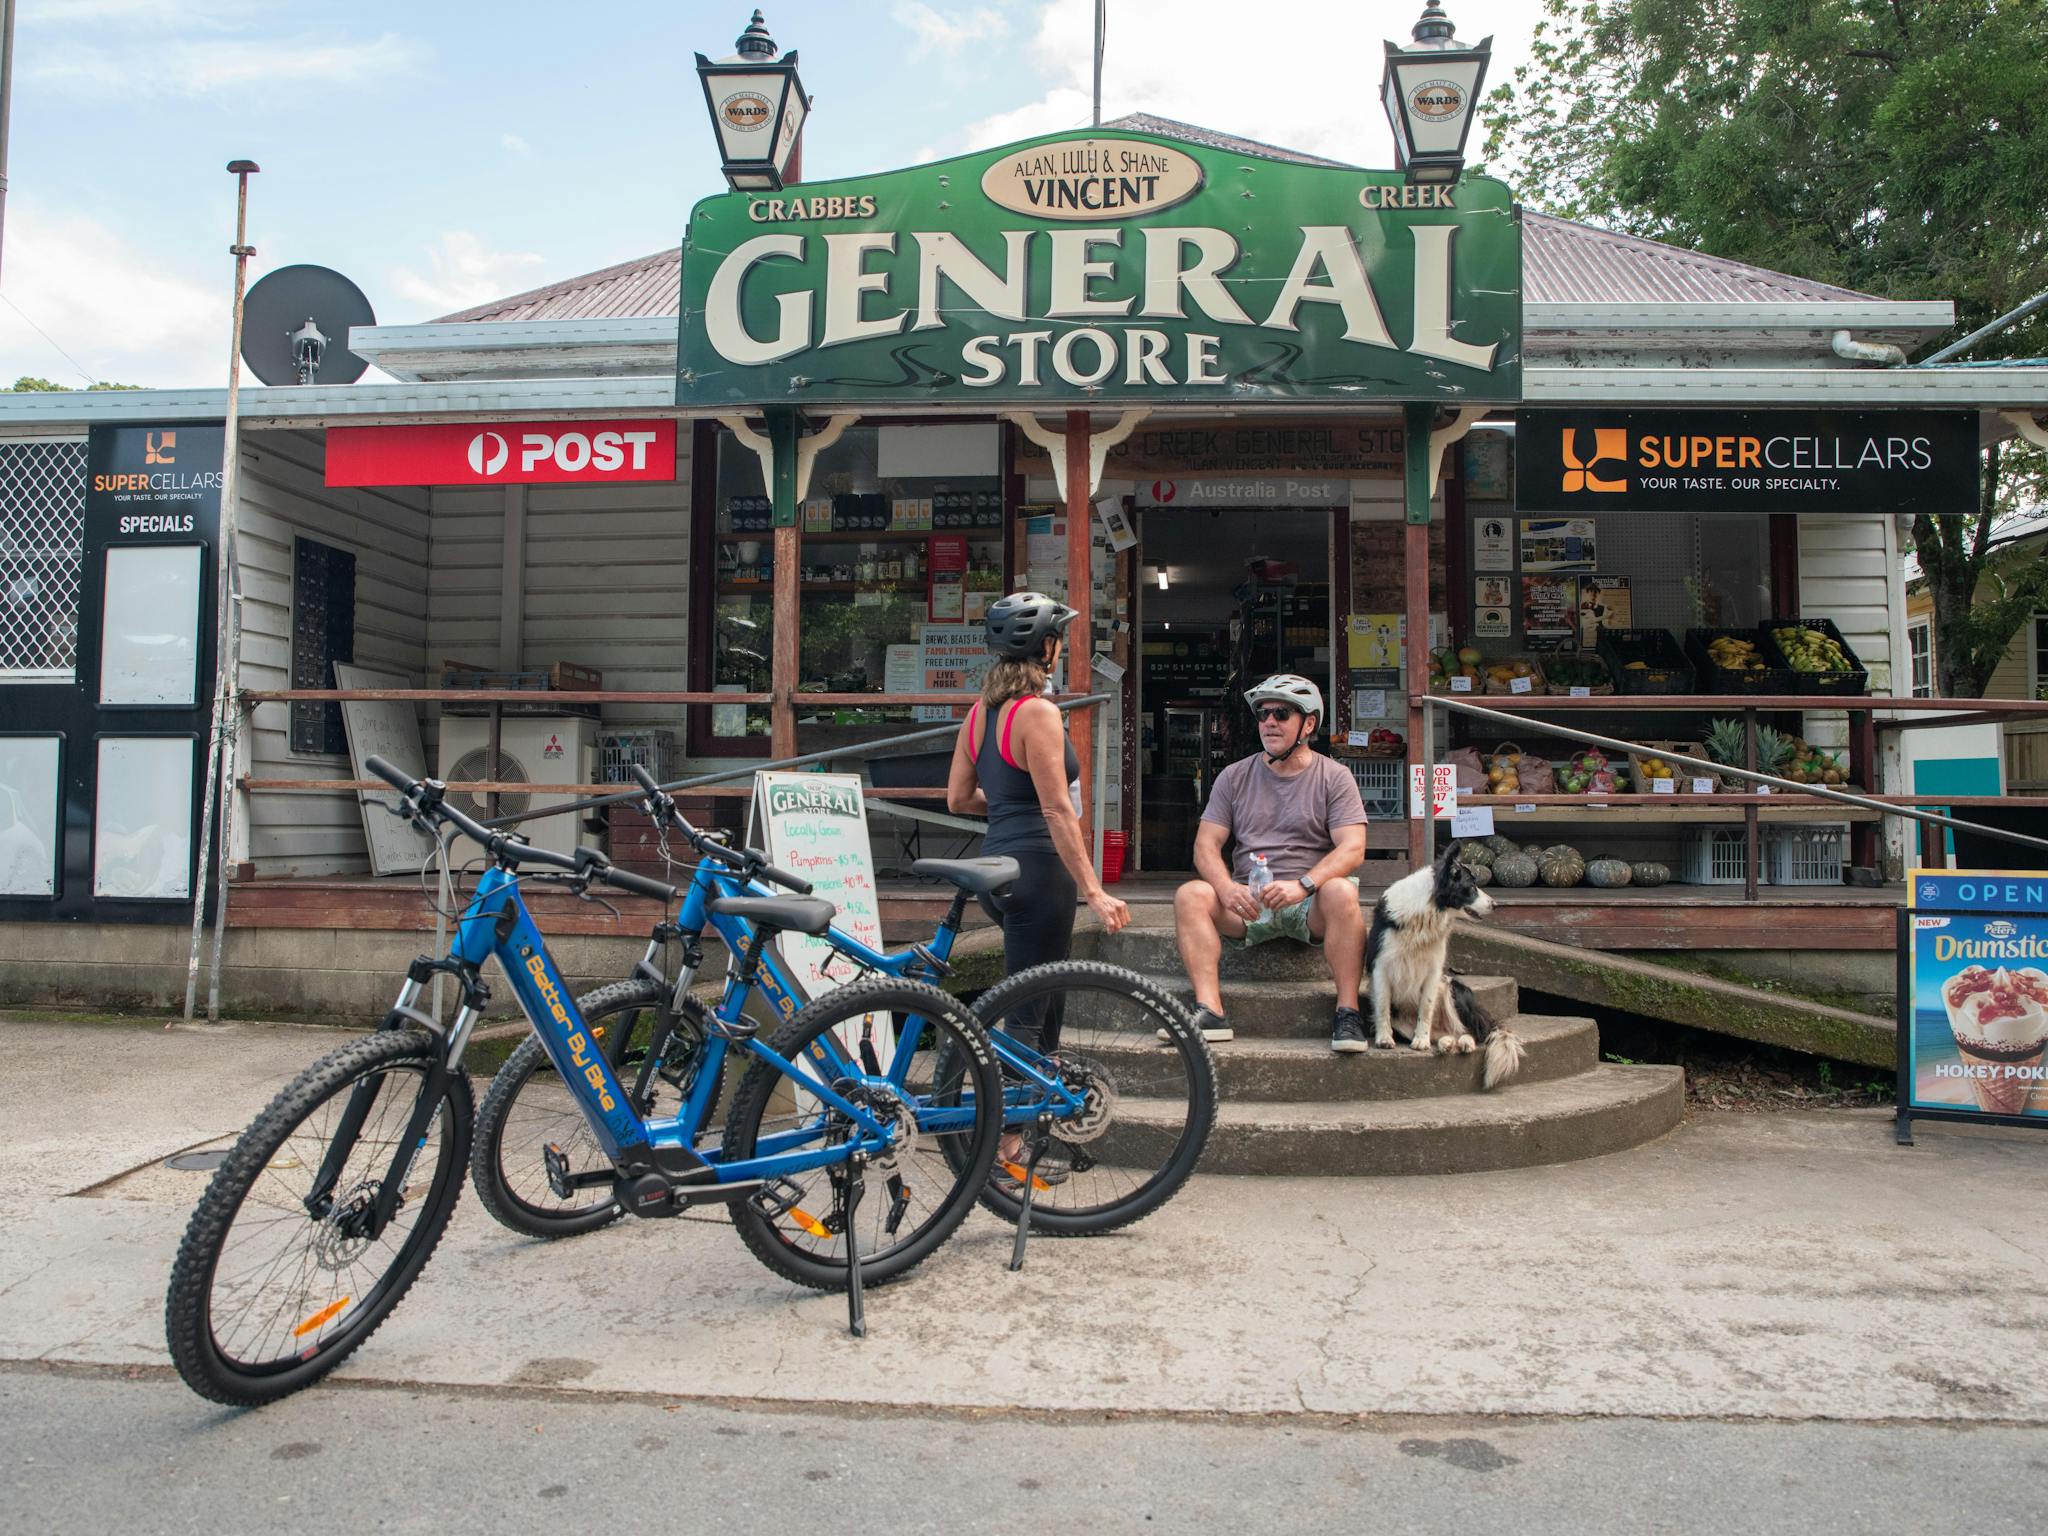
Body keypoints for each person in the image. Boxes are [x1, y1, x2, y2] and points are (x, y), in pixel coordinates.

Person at [948, 591, 1131, 1177]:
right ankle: (1007, 1150)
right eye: (1059, 638)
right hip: (1039, 870)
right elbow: (1058, 810)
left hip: (997, 868)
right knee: (1032, 1011)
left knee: (1036, 998)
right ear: (1045, 648)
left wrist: (1006, 806)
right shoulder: (1038, 713)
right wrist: (1095, 889)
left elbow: (958, 798)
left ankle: (1031, 1131)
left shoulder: (980, 714)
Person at [1172, 674, 1369, 1051]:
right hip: (1248, 900)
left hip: (1309, 902)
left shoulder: (1335, 777)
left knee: (1343, 891)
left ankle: (1348, 1013)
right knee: (1191, 895)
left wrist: (1304, 885)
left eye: (1281, 713)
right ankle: (1209, 1012)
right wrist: (1227, 888)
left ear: (1308, 724)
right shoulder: (1234, 776)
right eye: (1263, 715)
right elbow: (1205, 846)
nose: (1269, 722)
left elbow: (1353, 848)